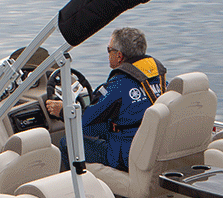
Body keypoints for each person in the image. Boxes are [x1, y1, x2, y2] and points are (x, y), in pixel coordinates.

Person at [45, 27, 166, 170]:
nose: (108, 54)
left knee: (68, 142)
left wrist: (61, 111)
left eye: (109, 50)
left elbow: (83, 119)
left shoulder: (118, 85)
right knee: (94, 130)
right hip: (151, 145)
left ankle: (75, 189)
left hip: (126, 156)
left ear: (119, 56)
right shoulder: (160, 79)